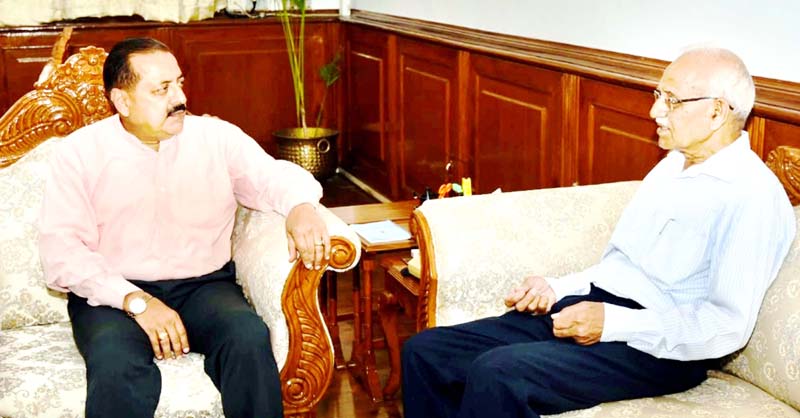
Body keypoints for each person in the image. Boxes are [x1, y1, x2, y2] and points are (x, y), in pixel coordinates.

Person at [401, 47, 796, 418]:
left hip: (660, 349)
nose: (655, 110)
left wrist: (612, 323)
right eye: (659, 94)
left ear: (717, 111)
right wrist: (555, 288)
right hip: (597, 306)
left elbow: (724, 326)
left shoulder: (751, 197)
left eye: (672, 100)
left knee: (498, 372)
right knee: (427, 351)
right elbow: (619, 267)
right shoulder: (672, 166)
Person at [38, 37, 331, 418]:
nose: (179, 97)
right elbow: (62, 253)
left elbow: (270, 178)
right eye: (161, 90)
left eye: (179, 83)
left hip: (203, 287)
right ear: (122, 101)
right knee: (116, 365)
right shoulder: (79, 153)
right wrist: (137, 301)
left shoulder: (215, 138)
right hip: (113, 296)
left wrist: (301, 206)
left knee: (248, 339)